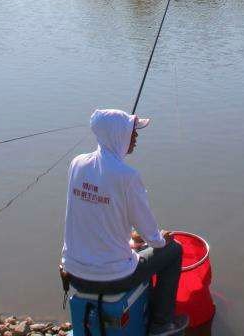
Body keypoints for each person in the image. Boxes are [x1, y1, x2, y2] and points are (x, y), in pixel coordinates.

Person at [61, 110, 188, 336]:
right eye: (132, 133)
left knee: (137, 245)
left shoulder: (76, 164)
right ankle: (161, 324)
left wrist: (133, 240)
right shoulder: (127, 176)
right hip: (113, 278)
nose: (136, 138)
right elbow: (152, 236)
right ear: (118, 135)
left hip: (74, 274)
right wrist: (161, 239)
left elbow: (98, 215)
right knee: (173, 250)